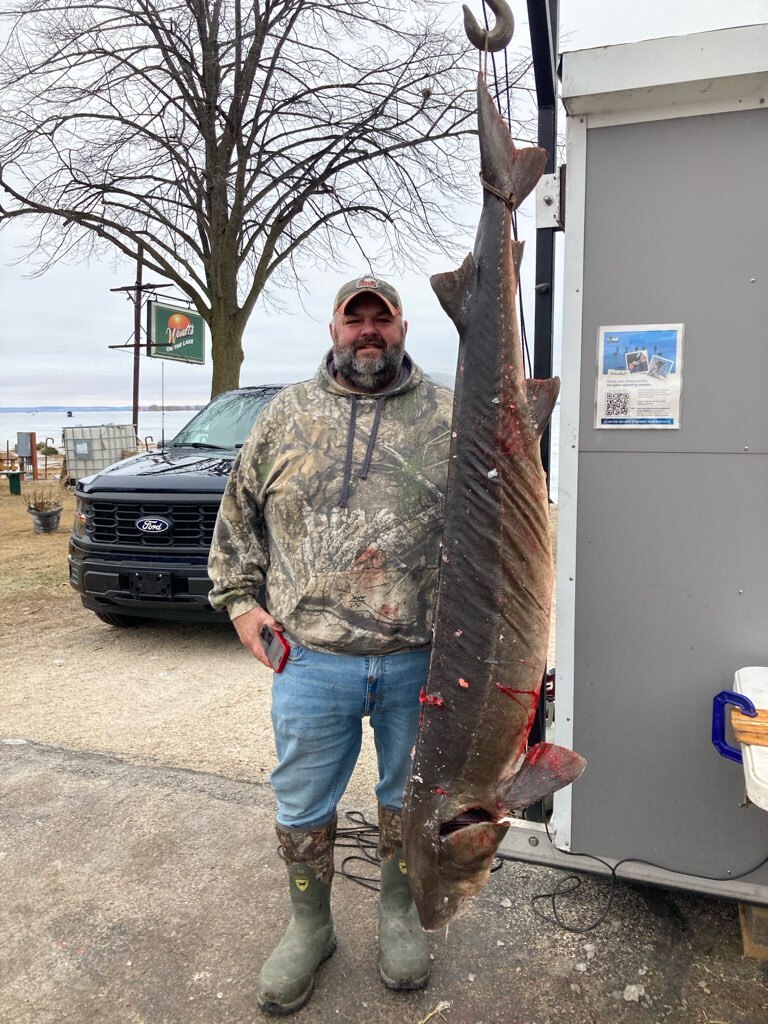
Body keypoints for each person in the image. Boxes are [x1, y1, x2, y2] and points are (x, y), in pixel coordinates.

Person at [208, 275, 454, 1014]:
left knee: (409, 798)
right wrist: (242, 608)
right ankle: (310, 925)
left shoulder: (447, 416)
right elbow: (236, 521)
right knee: (304, 798)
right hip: (310, 659)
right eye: (356, 320)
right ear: (334, 328)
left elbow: (501, 528)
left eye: (382, 319)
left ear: (404, 327)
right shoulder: (285, 414)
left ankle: (398, 912)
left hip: (424, 658)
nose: (368, 332)